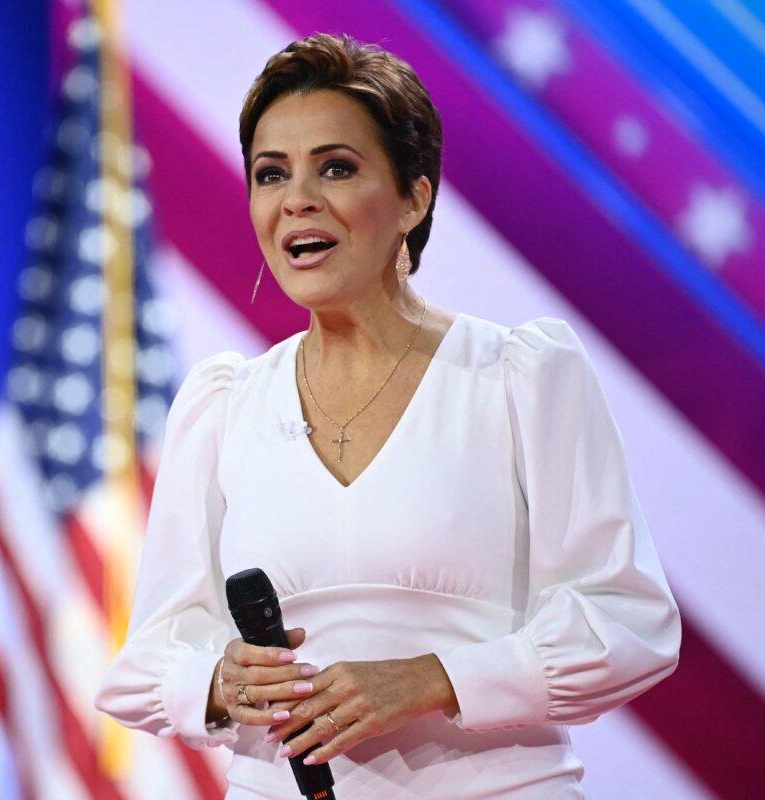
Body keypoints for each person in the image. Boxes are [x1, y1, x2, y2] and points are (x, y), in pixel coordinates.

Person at [94, 33, 680, 798]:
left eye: (336, 167)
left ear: (414, 196)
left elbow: (628, 623)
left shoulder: (520, 377)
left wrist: (435, 678)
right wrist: (216, 682)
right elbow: (147, 659)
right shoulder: (223, 405)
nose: (297, 198)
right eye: (272, 174)